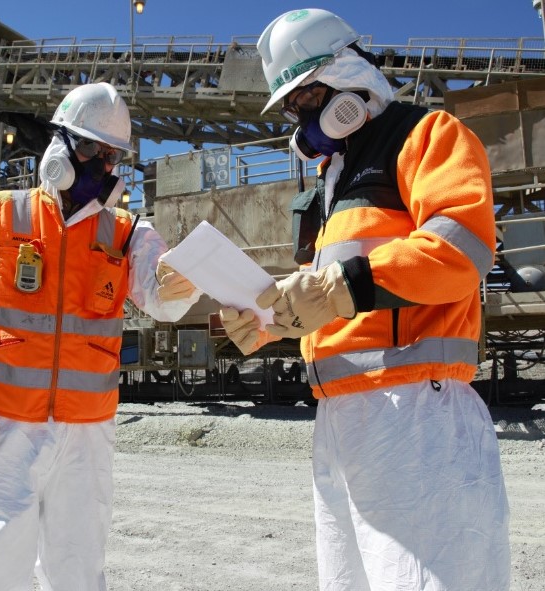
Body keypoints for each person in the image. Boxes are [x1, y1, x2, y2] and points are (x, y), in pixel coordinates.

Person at [221, 8, 511, 591]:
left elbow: (462, 246)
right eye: (292, 105)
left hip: (414, 410)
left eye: (305, 98)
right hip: (341, 418)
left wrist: (338, 288)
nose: (299, 116)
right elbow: (338, 298)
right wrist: (273, 320)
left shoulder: (426, 136)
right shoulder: (337, 178)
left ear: (347, 75)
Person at [0, 81, 200, 591]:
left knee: (76, 569)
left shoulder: (128, 233)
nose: (103, 163)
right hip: (3, 424)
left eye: (113, 154)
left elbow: (161, 298)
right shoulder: (3, 215)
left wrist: (178, 285)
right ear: (61, 145)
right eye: (92, 147)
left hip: (86, 436)